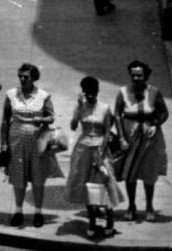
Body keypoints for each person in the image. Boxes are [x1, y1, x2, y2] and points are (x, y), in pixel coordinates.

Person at [0, 62, 60, 228]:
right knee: (18, 177)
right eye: (20, 76)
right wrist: (4, 144)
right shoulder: (11, 94)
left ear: (33, 78)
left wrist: (40, 119)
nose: (22, 79)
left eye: (25, 77)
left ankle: (38, 213)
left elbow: (51, 117)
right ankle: (18, 211)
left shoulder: (43, 95)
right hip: (16, 140)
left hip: (37, 142)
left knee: (37, 178)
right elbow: (5, 120)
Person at [65, 75, 121, 239]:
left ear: (97, 91)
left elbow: (107, 132)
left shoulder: (104, 108)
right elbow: (74, 126)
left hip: (100, 149)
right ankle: (92, 221)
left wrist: (100, 153)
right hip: (83, 148)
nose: (90, 95)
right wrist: (78, 107)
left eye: (93, 92)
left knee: (104, 183)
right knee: (85, 185)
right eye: (87, 92)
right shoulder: (81, 107)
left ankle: (109, 219)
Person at [113, 59, 168, 222]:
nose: (137, 79)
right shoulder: (122, 92)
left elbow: (163, 112)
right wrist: (121, 137)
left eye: (140, 76)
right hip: (130, 136)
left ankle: (149, 206)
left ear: (146, 76)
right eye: (134, 75)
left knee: (148, 172)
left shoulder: (154, 92)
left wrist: (156, 124)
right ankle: (131, 206)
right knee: (130, 173)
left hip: (149, 137)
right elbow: (117, 114)